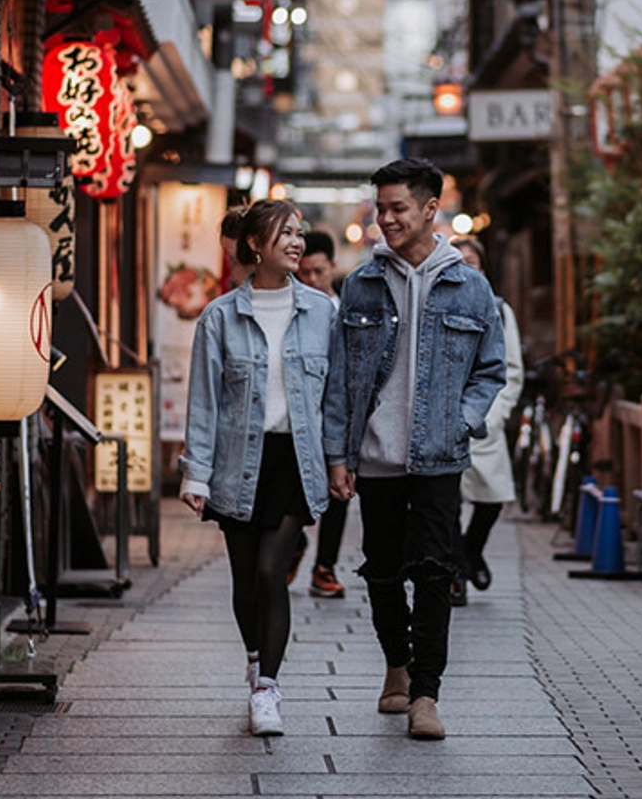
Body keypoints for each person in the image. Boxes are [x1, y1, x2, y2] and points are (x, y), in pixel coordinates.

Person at [324, 158, 505, 740]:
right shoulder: (361, 282)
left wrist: (462, 420)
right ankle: (395, 666)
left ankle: (426, 693)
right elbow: (339, 377)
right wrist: (338, 453)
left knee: (433, 572)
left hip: (439, 456)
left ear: (431, 209)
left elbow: (491, 370)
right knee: (380, 571)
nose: (386, 219)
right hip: (374, 455)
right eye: (381, 209)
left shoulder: (471, 286)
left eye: (398, 208)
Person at [180, 199, 335, 737]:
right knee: (244, 578)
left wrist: (340, 462)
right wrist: (195, 473)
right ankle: (254, 655)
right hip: (236, 460)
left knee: (273, 571)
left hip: (296, 458)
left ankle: (267, 688)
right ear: (254, 244)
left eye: (299, 233)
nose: (297, 242)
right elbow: (204, 402)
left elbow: (333, 400)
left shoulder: (322, 313)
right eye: (285, 233)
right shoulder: (220, 316)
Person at [447, 236, 525, 607]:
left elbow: (511, 369)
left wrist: (496, 415)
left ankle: (470, 551)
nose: (466, 266)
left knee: (491, 500)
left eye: (472, 261)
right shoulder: (438, 301)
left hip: (485, 421)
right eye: (458, 260)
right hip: (445, 423)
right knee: (447, 503)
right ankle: (456, 574)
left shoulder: (497, 308)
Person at [297, 231, 348, 599]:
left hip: (338, 414)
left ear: (332, 266)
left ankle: (324, 567)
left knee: (339, 492)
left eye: (317, 271)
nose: (311, 280)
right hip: (301, 415)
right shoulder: (294, 309)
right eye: (304, 274)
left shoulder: (347, 311)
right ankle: (293, 544)